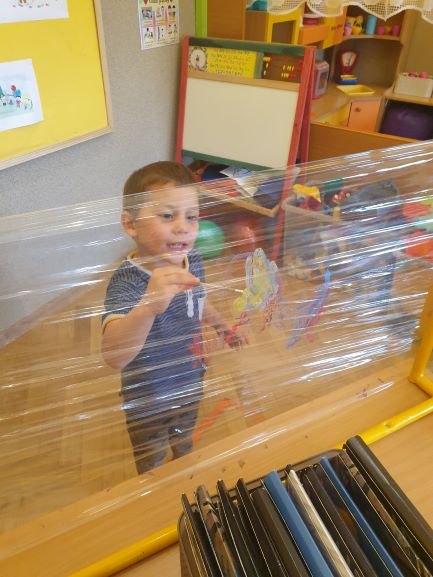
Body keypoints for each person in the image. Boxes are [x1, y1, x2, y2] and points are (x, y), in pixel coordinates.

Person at [101, 161, 244, 474]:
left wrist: (221, 326)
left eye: (192, 216)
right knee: (151, 460)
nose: (183, 227)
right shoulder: (127, 283)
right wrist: (148, 306)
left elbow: (197, 300)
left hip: (189, 380)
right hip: (149, 397)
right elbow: (114, 355)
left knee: (184, 444)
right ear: (131, 224)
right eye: (167, 216)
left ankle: (183, 474)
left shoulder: (192, 259)